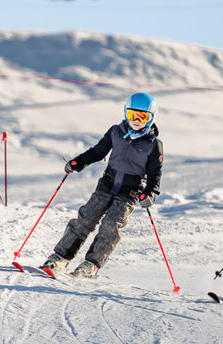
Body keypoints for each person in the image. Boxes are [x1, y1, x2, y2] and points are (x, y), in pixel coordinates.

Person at [41, 92, 164, 278]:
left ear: (151, 118)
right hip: (106, 185)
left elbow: (155, 175)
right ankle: (60, 257)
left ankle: (91, 264)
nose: (136, 120)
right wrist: (78, 162)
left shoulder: (153, 144)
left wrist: (150, 194)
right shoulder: (116, 132)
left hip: (129, 192)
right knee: (85, 218)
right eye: (133, 115)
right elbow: (97, 152)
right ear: (126, 113)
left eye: (143, 116)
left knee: (110, 226)